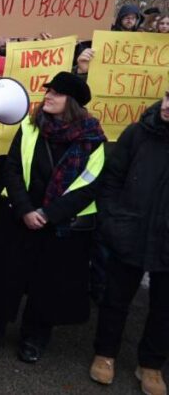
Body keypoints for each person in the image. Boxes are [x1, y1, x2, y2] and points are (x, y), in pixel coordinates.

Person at [0, 72, 106, 364]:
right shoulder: (30, 125)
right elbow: (11, 168)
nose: (48, 96)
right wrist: (25, 210)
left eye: (56, 94)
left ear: (71, 102)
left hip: (59, 225)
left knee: (47, 285)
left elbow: (89, 184)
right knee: (4, 277)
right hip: (19, 217)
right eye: (49, 91)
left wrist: (48, 214)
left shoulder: (93, 139)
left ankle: (34, 337)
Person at [89, 91, 168, 395]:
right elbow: (112, 179)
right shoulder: (137, 133)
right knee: (116, 298)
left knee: (164, 307)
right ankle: (105, 353)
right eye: (168, 97)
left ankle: (150, 364)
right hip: (130, 231)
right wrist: (113, 220)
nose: (168, 105)